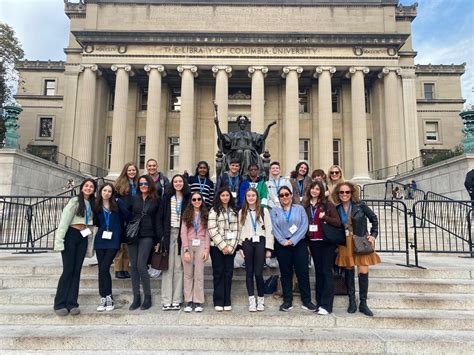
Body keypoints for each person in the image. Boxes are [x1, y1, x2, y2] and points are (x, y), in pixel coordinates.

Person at [333, 182, 381, 317]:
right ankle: (352, 301)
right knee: (348, 271)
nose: (344, 195)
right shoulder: (337, 208)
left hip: (360, 240)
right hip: (345, 242)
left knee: (363, 270)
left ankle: (363, 303)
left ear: (352, 193)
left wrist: (373, 235)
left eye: (347, 192)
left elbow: (374, 218)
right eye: (341, 192)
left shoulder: (360, 205)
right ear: (338, 194)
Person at [53, 178, 97, 316]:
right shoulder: (74, 201)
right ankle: (60, 303)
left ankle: (72, 303)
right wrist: (59, 241)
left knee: (77, 270)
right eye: (86, 186)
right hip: (71, 235)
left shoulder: (92, 203)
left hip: (83, 236)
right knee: (68, 270)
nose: (88, 188)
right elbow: (64, 221)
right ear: (82, 187)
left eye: (91, 186)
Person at [270, 186, 317, 312]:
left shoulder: (299, 208)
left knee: (303, 273)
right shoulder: (275, 210)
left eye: (286, 194)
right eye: (282, 195)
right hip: (282, 245)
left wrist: (293, 240)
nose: (284, 197)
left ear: (291, 195)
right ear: (279, 198)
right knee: (286, 274)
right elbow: (274, 227)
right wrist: (283, 241)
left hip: (299, 244)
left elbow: (304, 225)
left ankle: (306, 301)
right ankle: (287, 301)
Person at [304, 180, 342, 315]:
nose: (314, 191)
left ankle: (327, 305)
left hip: (326, 243)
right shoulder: (307, 206)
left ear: (321, 191)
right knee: (319, 273)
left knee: (327, 272)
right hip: (313, 243)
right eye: (312, 189)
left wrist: (324, 216)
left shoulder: (327, 205)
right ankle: (319, 303)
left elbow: (338, 222)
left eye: (317, 189)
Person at [93, 183, 131, 312]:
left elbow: (127, 215)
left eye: (109, 191)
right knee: (101, 270)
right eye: (104, 190)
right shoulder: (97, 205)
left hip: (113, 240)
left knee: (104, 267)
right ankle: (103, 297)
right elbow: (96, 222)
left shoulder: (117, 203)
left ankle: (108, 296)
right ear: (101, 192)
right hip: (100, 240)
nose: (107, 193)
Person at [128, 175, 161, 311]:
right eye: (141, 184)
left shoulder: (156, 199)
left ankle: (147, 296)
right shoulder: (133, 198)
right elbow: (127, 215)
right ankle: (136, 297)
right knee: (134, 267)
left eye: (145, 183)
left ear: (150, 184)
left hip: (148, 235)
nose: (143, 186)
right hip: (133, 235)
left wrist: (159, 238)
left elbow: (158, 219)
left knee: (141, 265)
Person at [158, 174, 190, 311]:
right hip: (168, 233)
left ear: (184, 183)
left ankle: (177, 299)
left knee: (178, 267)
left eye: (180, 181)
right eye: (175, 181)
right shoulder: (166, 198)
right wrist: (161, 236)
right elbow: (159, 218)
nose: (178, 183)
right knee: (167, 268)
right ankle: (166, 299)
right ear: (172, 183)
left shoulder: (188, 198)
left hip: (182, 235)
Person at [238, 188, 273, 312]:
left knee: (258, 272)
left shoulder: (264, 211)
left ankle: (261, 300)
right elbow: (240, 229)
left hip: (260, 243)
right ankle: (251, 300)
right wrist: (240, 247)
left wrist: (269, 248)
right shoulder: (242, 211)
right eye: (248, 195)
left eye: (253, 195)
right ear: (246, 197)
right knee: (249, 273)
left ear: (257, 197)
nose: (251, 197)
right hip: (247, 242)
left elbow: (269, 229)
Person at [208, 187, 240, 311]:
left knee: (228, 273)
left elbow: (237, 230)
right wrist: (223, 246)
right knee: (218, 273)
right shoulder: (214, 210)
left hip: (231, 248)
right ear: (219, 197)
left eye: (227, 195)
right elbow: (212, 229)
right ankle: (218, 300)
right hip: (217, 247)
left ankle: (227, 300)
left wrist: (231, 247)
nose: (225, 197)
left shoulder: (234, 211)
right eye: (223, 195)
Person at [180, 192, 210, 312]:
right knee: (188, 274)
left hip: (201, 244)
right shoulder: (187, 214)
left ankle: (198, 301)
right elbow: (183, 232)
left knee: (199, 274)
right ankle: (189, 300)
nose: (197, 201)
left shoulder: (205, 214)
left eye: (199, 199)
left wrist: (207, 249)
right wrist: (186, 249)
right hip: (189, 244)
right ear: (191, 201)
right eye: (194, 199)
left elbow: (208, 233)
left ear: (202, 200)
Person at [114, 162, 139, 279]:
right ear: (125, 171)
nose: (131, 172)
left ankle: (125, 268)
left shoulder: (138, 183)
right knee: (121, 245)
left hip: (134, 218)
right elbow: (116, 200)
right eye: (129, 170)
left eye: (133, 170)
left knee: (129, 245)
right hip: (122, 217)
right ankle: (119, 269)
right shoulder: (119, 183)